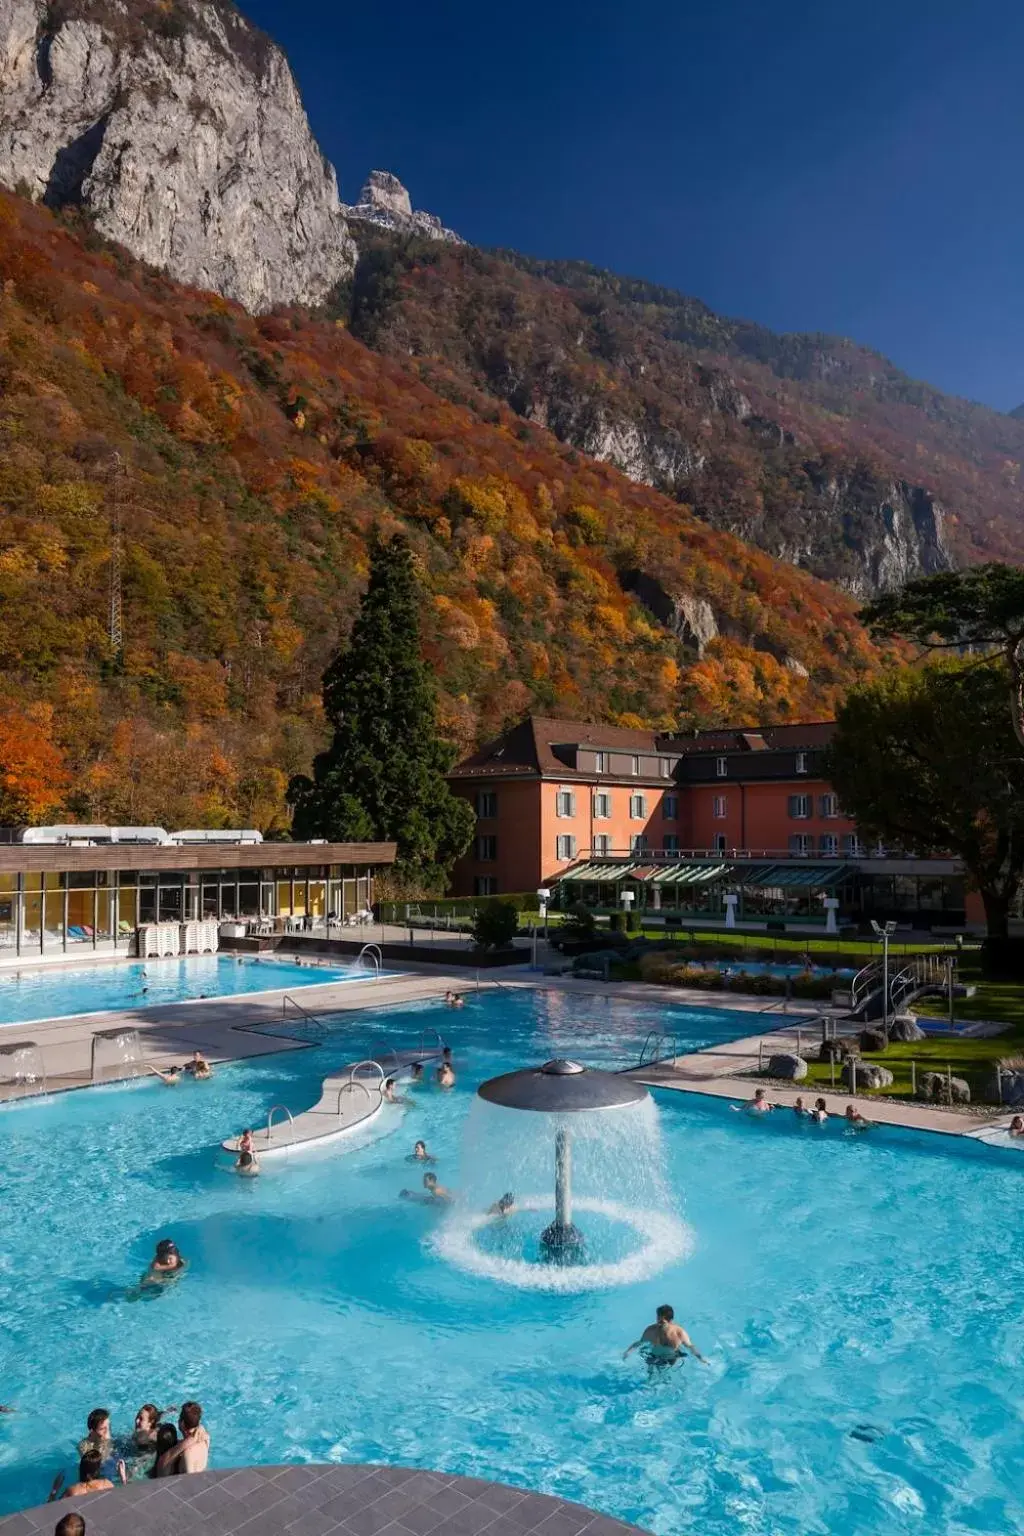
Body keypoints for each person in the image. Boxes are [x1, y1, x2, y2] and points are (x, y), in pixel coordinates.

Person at [623, 1304, 708, 1367]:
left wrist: (628, 1352)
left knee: (653, 1376)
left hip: (658, 1359)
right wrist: (701, 1359)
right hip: (663, 1358)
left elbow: (639, 1343)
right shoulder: (678, 1332)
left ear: (660, 1318)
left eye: (659, 1317)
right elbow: (690, 1347)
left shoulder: (652, 1330)